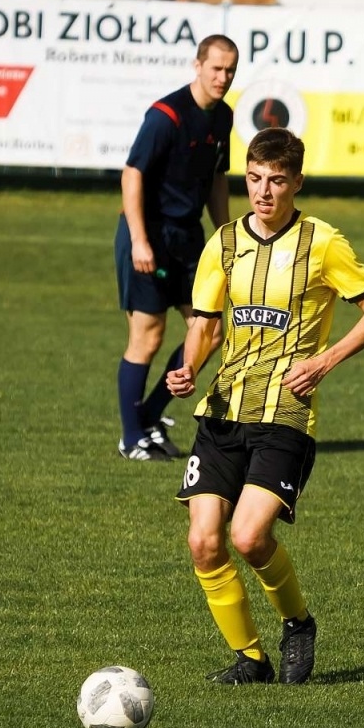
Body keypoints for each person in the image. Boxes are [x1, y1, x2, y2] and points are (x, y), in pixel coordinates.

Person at [165, 128, 364, 684]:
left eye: (276, 181)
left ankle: (297, 623)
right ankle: (250, 658)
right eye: (254, 179)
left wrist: (324, 361)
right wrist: (190, 367)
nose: (263, 192)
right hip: (222, 411)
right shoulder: (222, 242)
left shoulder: (322, 243)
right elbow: (206, 324)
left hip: (286, 415)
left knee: (249, 537)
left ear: (296, 182)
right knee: (203, 542)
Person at [115, 34, 238, 460]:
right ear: (198, 65)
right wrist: (139, 241)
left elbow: (217, 178)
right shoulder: (165, 116)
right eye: (216, 68)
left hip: (189, 239)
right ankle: (131, 439)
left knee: (211, 332)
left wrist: (227, 234)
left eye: (230, 70)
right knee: (147, 338)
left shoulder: (223, 117)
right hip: (149, 234)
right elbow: (132, 174)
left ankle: (147, 416)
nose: (223, 77)